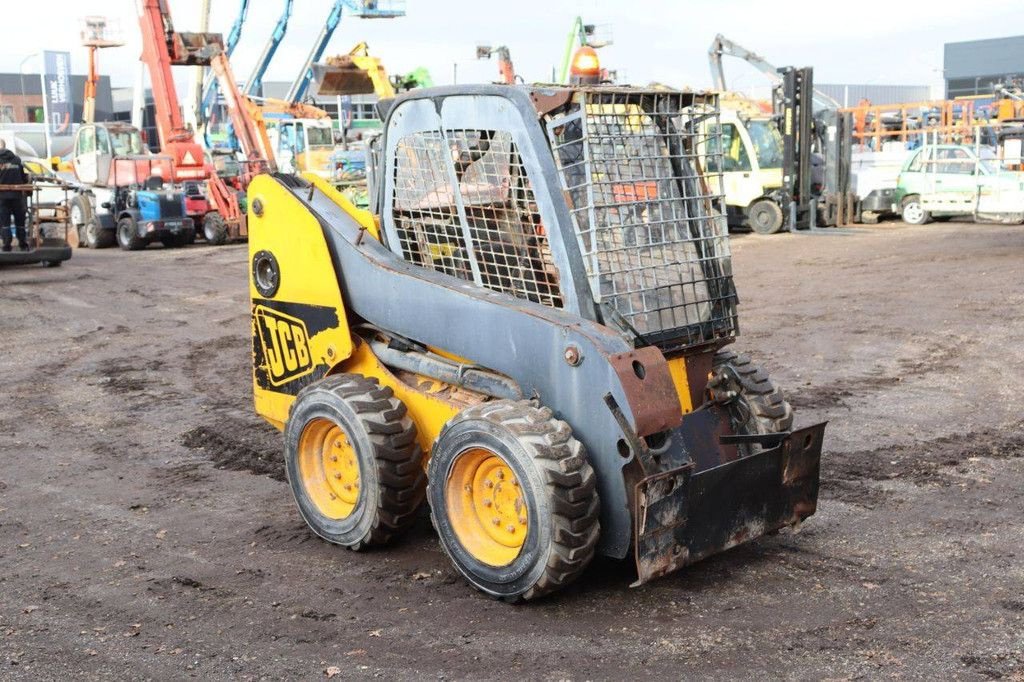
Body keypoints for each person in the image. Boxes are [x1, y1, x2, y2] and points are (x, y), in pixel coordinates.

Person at [0, 139, 30, 252]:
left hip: (2, 197)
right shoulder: (17, 160)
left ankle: (7, 245)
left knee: (5, 221)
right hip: (17, 196)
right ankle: (23, 244)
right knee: (20, 220)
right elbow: (23, 178)